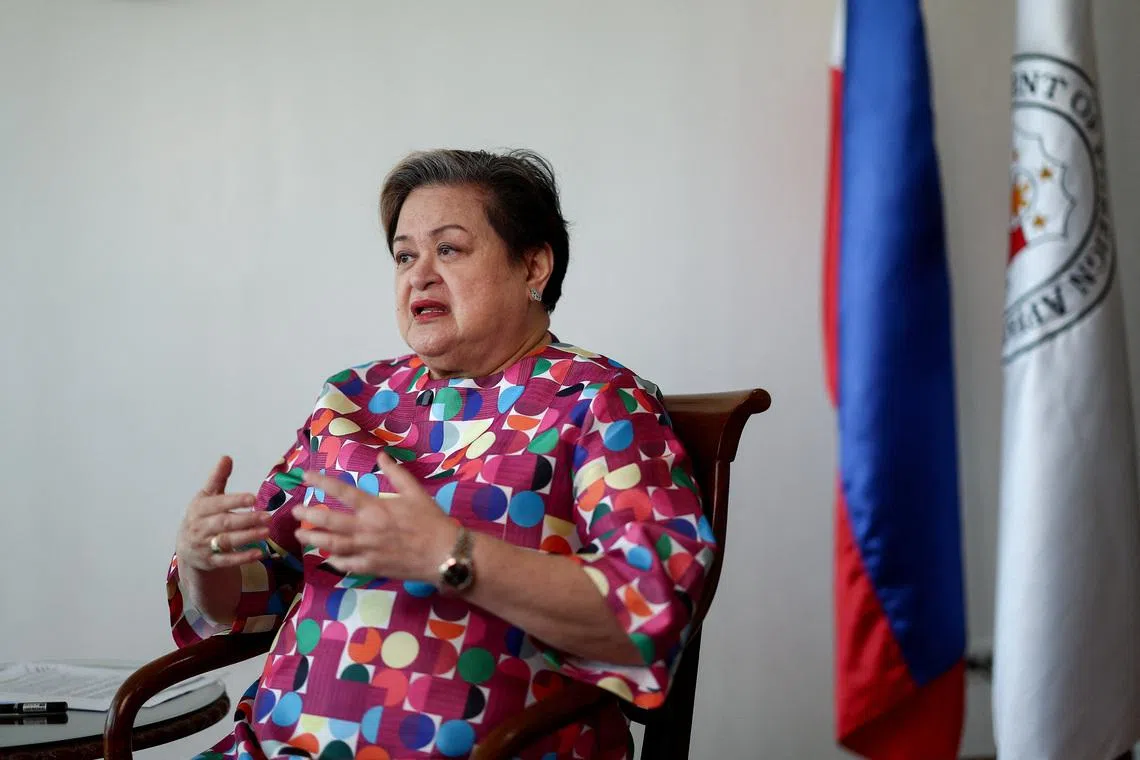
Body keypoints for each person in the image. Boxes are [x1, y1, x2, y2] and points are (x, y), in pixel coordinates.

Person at [169, 149, 716, 760]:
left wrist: (449, 556)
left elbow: (647, 612)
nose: (419, 276)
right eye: (405, 255)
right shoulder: (352, 398)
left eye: (448, 249)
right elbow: (255, 595)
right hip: (276, 746)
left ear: (533, 264)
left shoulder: (597, 401)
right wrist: (204, 559)